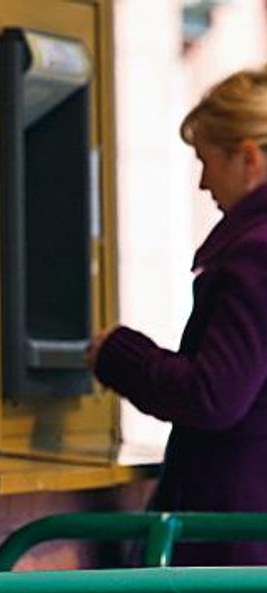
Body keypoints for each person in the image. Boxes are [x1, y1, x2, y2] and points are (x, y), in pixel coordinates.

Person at [87, 66, 267, 566]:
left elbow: (213, 395)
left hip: (236, 535)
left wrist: (118, 353)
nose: (205, 182)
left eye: (206, 161)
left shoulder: (255, 254)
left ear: (248, 157)